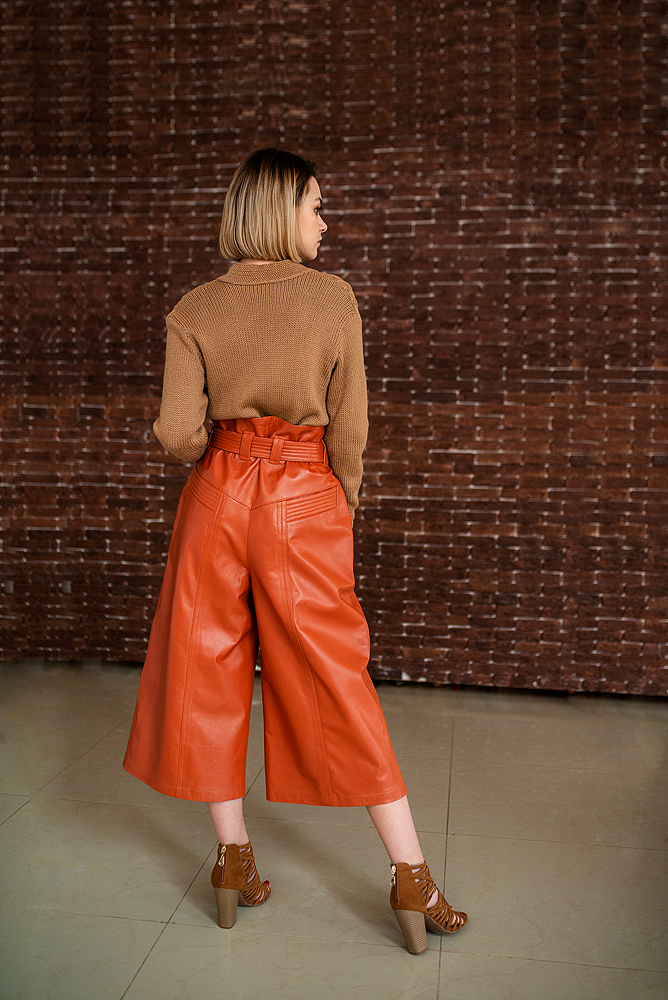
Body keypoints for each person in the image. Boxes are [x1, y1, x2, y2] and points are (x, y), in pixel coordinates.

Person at [122, 147, 467, 955]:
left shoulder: (194, 308)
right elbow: (352, 427)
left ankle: (232, 859)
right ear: (281, 212)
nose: (325, 221)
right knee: (338, 678)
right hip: (302, 495)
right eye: (316, 205)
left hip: (216, 495)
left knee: (208, 670)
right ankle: (410, 875)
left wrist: (218, 446)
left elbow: (178, 434)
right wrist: (340, 507)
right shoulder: (332, 298)